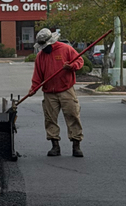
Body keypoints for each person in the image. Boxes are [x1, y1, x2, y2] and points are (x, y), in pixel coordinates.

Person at [27, 28, 85, 157]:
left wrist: (72, 66)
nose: (44, 48)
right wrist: (33, 88)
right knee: (50, 119)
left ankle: (76, 145)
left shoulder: (66, 49)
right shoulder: (40, 57)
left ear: (52, 42)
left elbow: (79, 61)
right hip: (49, 92)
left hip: (66, 90)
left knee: (73, 115)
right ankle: (55, 146)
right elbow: (38, 75)